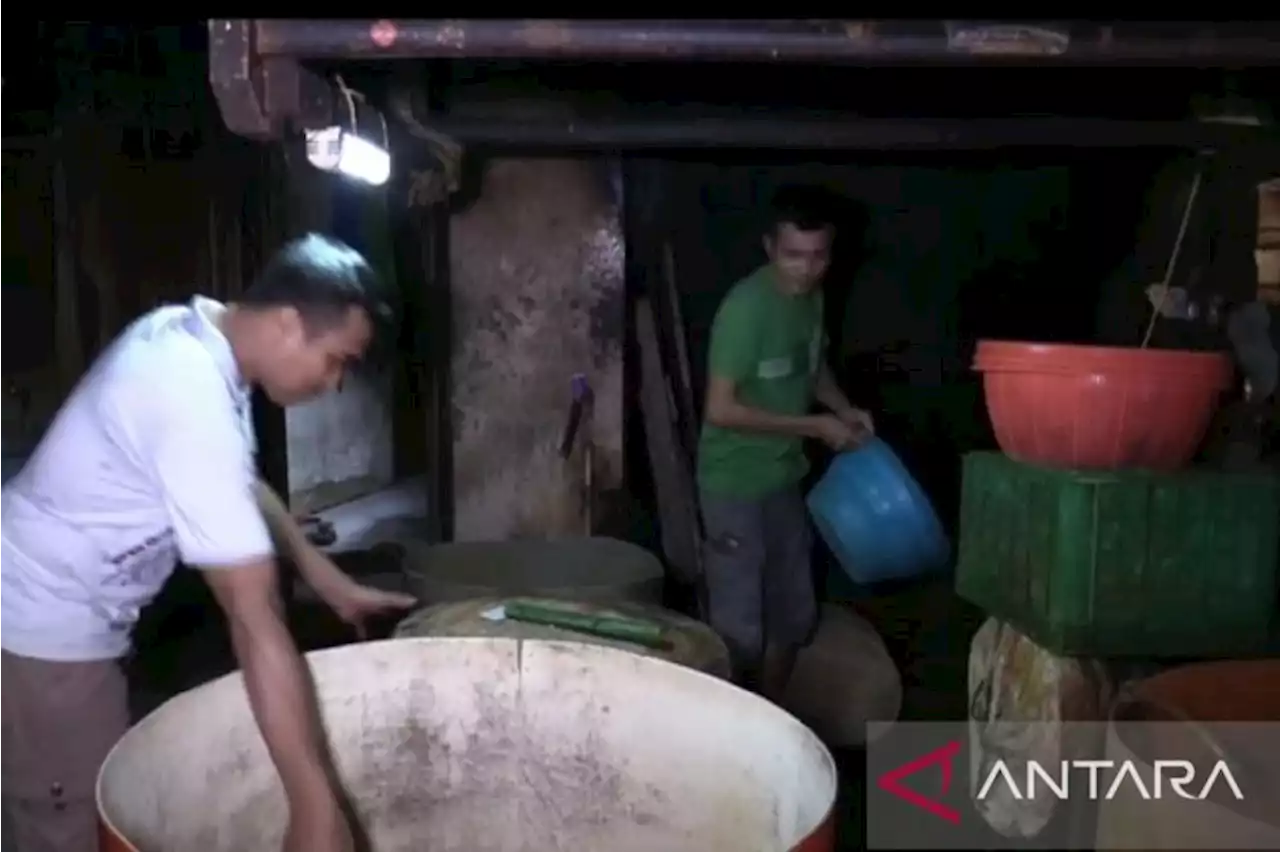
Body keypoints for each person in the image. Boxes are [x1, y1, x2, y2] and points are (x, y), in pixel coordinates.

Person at [0, 233, 417, 852]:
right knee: (71, 831)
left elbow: (239, 480)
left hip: (60, 611)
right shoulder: (185, 391)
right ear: (287, 323)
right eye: (337, 361)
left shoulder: (197, 338)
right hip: (42, 632)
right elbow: (254, 619)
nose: (333, 385)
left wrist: (324, 576)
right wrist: (312, 803)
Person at [697, 185, 875, 701]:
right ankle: (724, 734)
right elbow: (720, 409)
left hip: (783, 479)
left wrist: (842, 408)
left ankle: (772, 717)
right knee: (738, 632)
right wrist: (816, 428)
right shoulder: (746, 311)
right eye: (794, 255)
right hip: (732, 486)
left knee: (793, 616)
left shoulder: (811, 300)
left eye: (818, 256)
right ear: (770, 247)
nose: (806, 269)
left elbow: (811, 368)